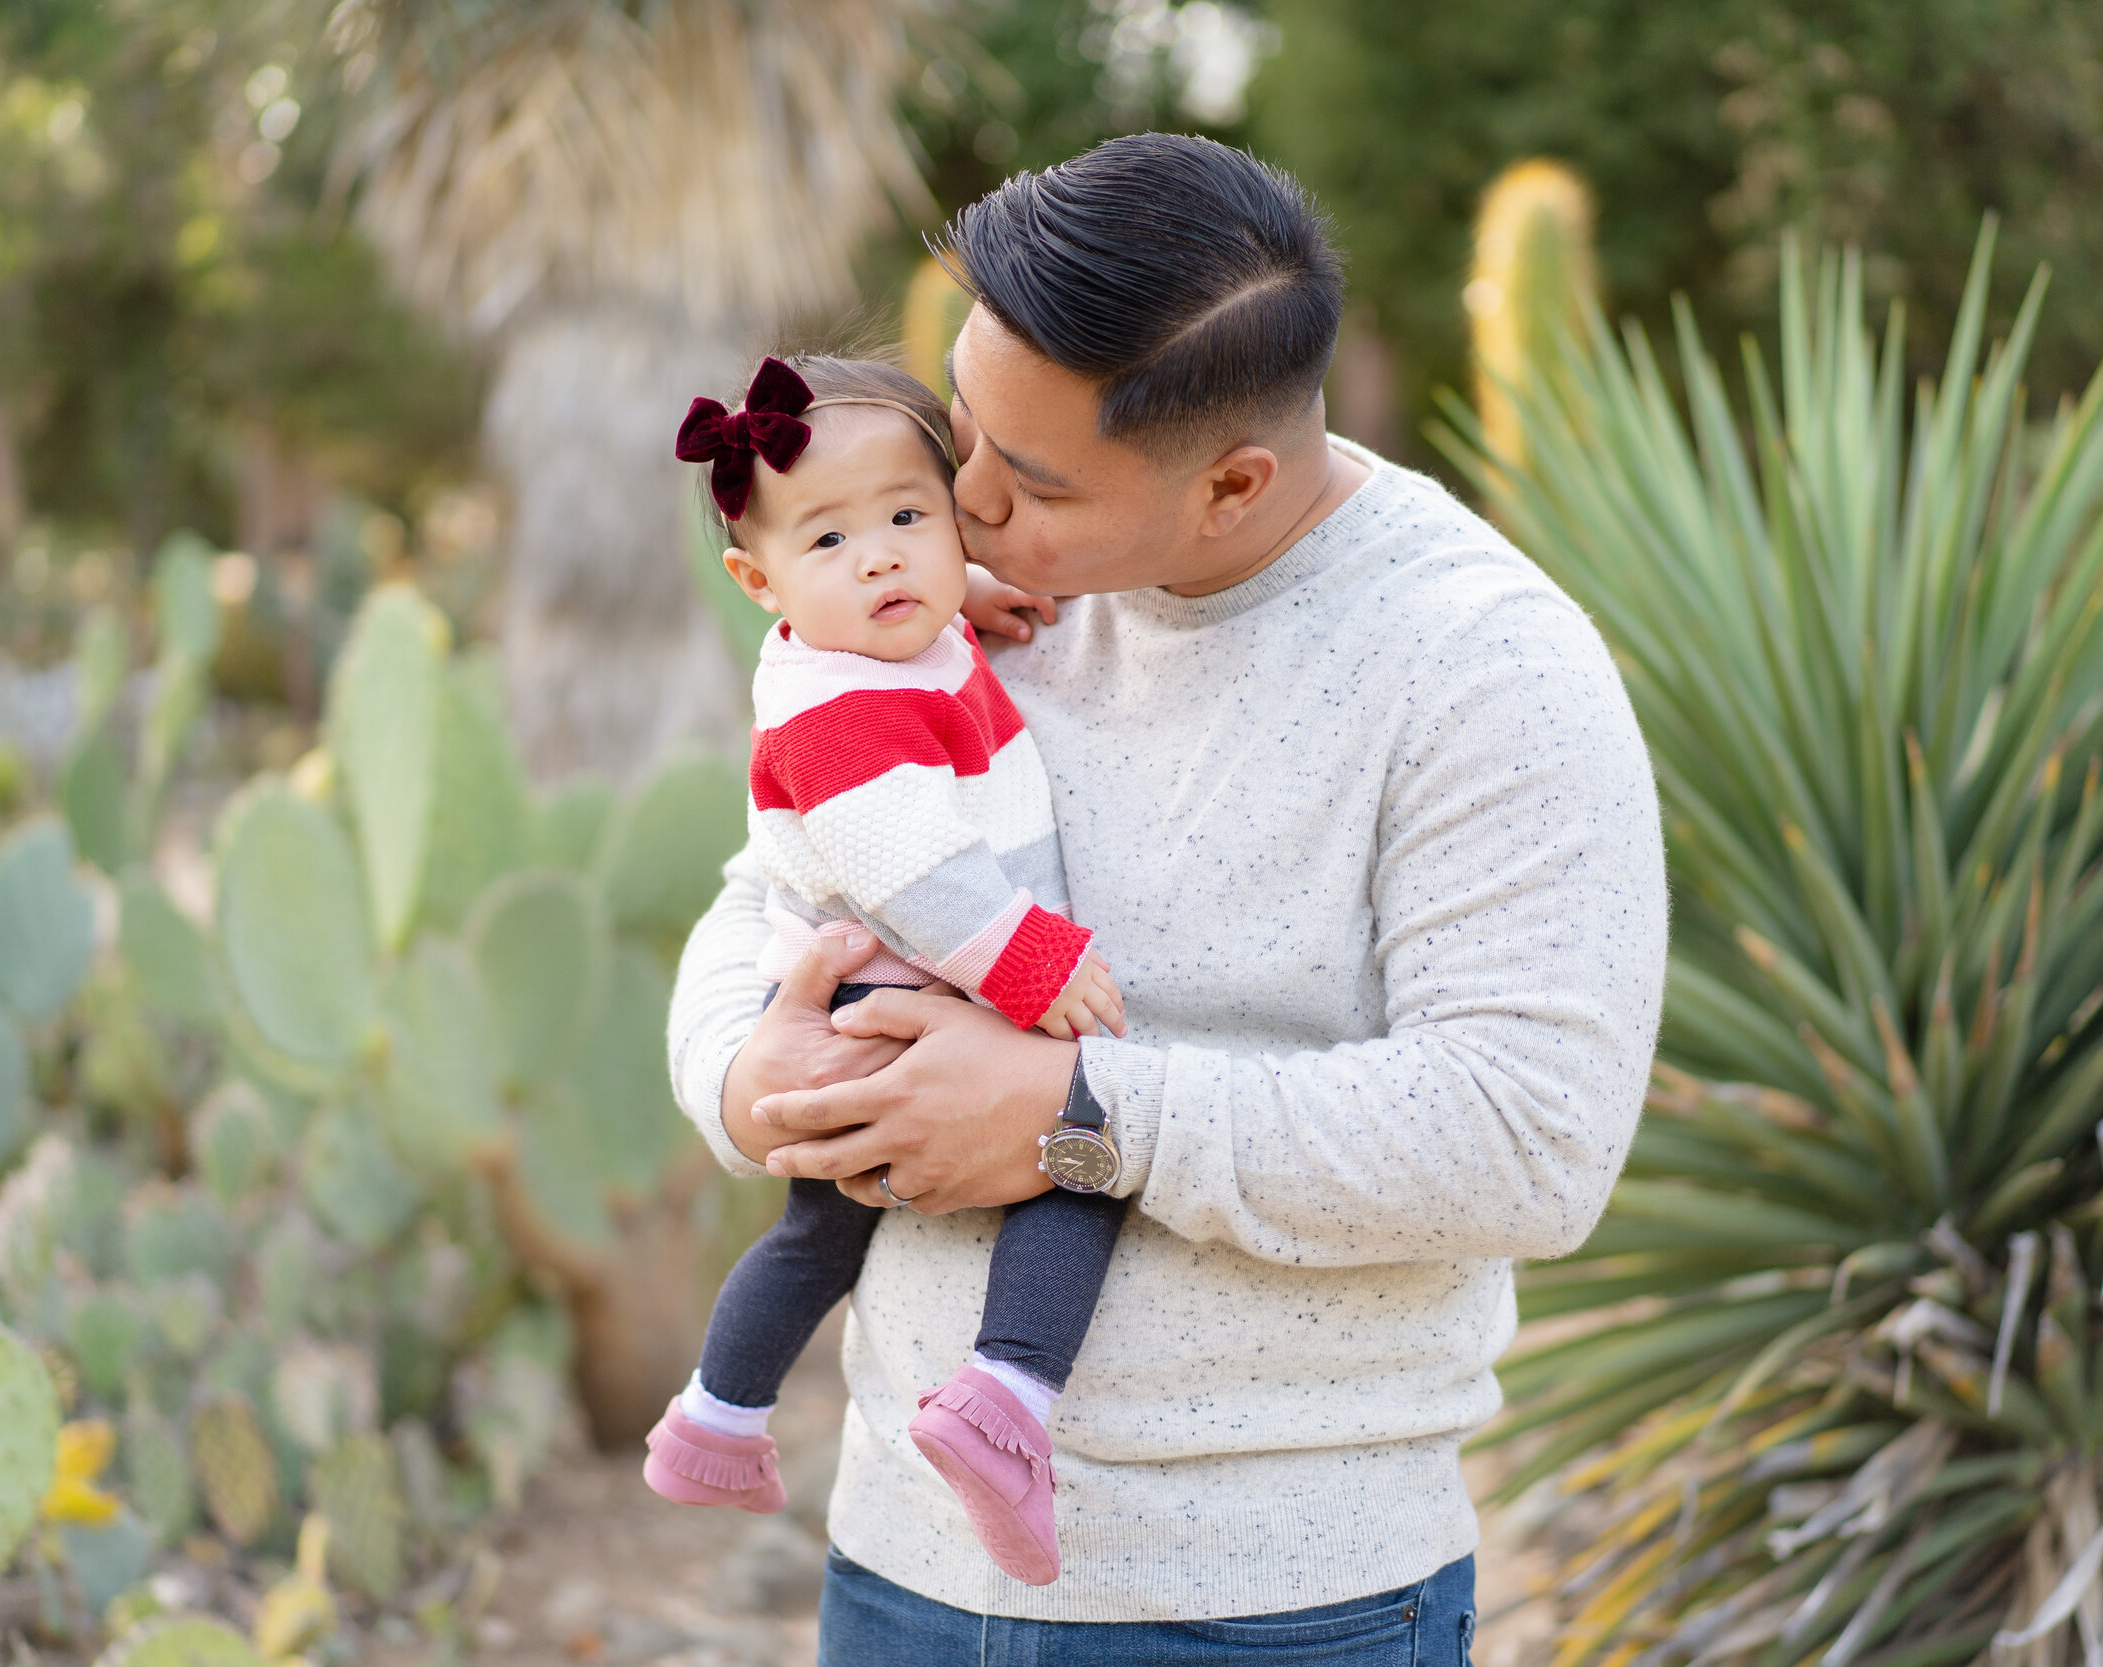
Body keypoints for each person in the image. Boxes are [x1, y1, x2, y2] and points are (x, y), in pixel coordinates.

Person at [668, 133, 1668, 1664]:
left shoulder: (1487, 667)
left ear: (1235, 482)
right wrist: (748, 1073)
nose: (963, 506)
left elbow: (1529, 1138)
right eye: (961, 437)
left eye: (1034, 480)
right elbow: (767, 889)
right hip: (900, 1571)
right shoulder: (941, 588)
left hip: (1275, 1604)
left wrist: (1078, 1113)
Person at [644, 353, 1133, 1588]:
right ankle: (1004, 1397)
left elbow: (893, 580)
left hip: (891, 977)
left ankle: (716, 1416)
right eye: (830, 541)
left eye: (909, 518)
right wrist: (1036, 967)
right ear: (757, 583)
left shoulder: (878, 637)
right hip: (897, 982)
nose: (880, 560)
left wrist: (955, 591)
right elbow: (914, 870)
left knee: (822, 1232)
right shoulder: (836, 708)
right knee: (1078, 1161)